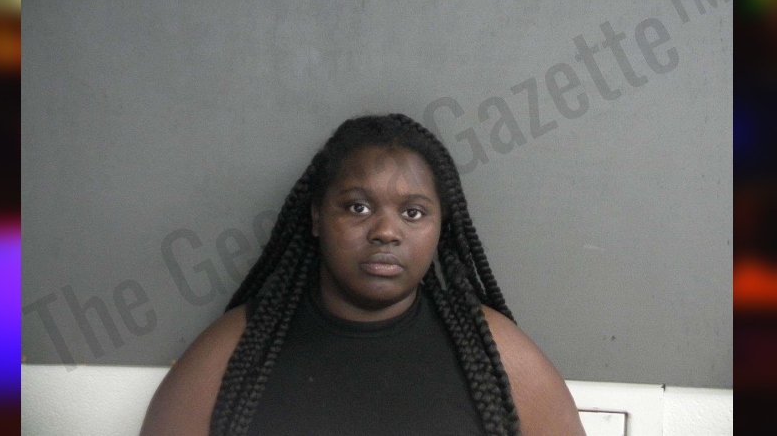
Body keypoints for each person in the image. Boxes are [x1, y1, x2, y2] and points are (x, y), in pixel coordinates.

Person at [141, 114, 585, 436]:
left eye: (413, 213)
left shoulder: (499, 357)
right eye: (358, 207)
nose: (386, 231)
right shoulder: (229, 354)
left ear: (441, 228)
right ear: (317, 217)